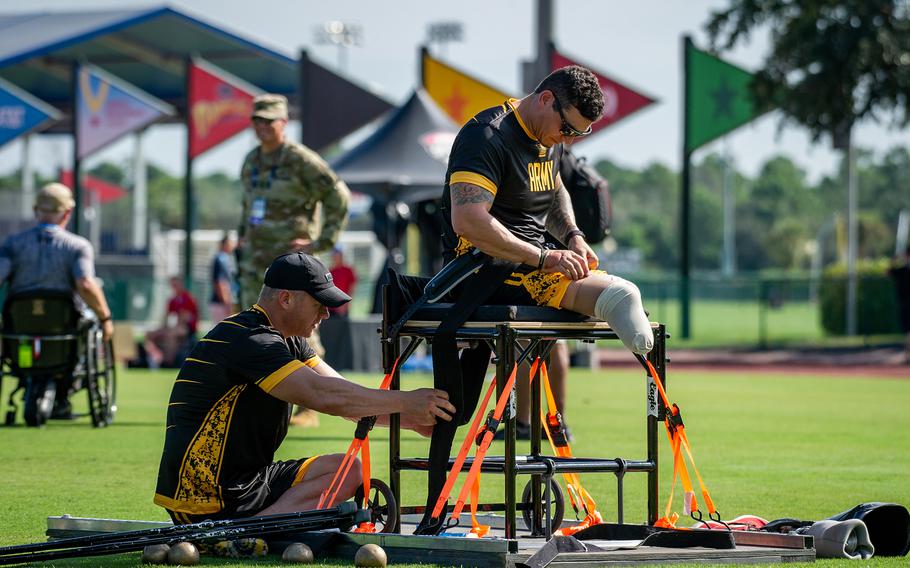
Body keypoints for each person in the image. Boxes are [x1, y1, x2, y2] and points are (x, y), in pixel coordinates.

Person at [416, 65, 653, 533]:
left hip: (532, 261)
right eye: (567, 128)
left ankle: (613, 302)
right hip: (480, 270)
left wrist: (574, 236)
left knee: (588, 274)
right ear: (546, 99)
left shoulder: (547, 136)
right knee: (612, 291)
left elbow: (556, 188)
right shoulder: (484, 136)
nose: (568, 138)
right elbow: (468, 221)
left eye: (578, 134)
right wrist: (544, 256)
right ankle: (618, 299)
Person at [154, 252, 455, 524]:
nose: (325, 315)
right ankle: (247, 533)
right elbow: (325, 396)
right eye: (318, 304)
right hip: (202, 494)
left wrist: (411, 420)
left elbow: (340, 389)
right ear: (286, 299)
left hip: (250, 481)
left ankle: (251, 531)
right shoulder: (251, 339)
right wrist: (405, 401)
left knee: (349, 470)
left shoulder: (289, 340)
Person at [240, 93, 351, 428]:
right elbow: (248, 206)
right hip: (255, 261)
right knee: (254, 324)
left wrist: (322, 242)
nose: (262, 127)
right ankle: (259, 395)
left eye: (268, 121)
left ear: (284, 123)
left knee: (301, 327)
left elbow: (338, 195)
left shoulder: (301, 159)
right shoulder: (252, 160)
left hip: (291, 263)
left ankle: (309, 406)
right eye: (256, 120)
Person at [0, 182, 114, 418]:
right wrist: (106, 316)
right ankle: (67, 387)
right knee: (87, 323)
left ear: (35, 209)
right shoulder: (77, 245)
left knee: (22, 338)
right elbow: (85, 284)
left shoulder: (13, 244)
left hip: (22, 330)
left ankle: (28, 377)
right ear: (68, 212)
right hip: (64, 328)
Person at [144, 276, 199, 368]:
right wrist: (162, 329)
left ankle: (168, 362)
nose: (174, 287)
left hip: (188, 329)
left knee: (171, 335)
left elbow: (184, 318)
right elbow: (166, 318)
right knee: (149, 334)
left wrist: (170, 329)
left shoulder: (188, 298)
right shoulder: (172, 300)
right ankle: (153, 359)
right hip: (174, 327)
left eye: (176, 284)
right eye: (172, 285)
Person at [210, 233, 238, 323]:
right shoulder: (221, 259)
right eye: (231, 242)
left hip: (222, 302)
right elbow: (220, 282)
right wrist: (226, 303)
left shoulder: (226, 258)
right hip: (220, 303)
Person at [888, 246, 910, 362]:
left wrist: (893, 261)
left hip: (905, 304)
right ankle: (907, 355)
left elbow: (888, 272)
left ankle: (907, 355)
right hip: (905, 303)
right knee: (908, 330)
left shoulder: (902, 270)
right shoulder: (902, 270)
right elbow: (889, 273)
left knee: (908, 330)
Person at [328, 246, 357, 318]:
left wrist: (345, 304)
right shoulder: (330, 271)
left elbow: (352, 288)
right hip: (331, 308)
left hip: (343, 307)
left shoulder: (348, 270)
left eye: (337, 255)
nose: (335, 257)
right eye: (333, 255)